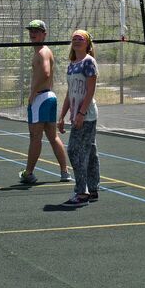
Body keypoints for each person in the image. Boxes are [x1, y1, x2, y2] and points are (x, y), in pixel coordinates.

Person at [18, 19, 70, 185]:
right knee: (52, 136)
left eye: (37, 31)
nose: (33, 33)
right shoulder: (41, 51)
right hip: (48, 97)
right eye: (31, 30)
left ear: (44, 34)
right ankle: (64, 172)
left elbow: (46, 73)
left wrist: (33, 92)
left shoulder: (42, 52)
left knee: (35, 137)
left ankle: (29, 173)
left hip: (41, 98)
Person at [58, 29, 98, 207]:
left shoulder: (89, 62)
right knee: (90, 151)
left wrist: (81, 113)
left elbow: (90, 91)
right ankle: (93, 188)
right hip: (76, 114)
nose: (76, 41)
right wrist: (62, 115)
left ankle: (82, 192)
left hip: (87, 115)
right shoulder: (72, 64)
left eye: (80, 38)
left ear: (87, 44)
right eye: (74, 38)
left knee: (74, 150)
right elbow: (69, 92)